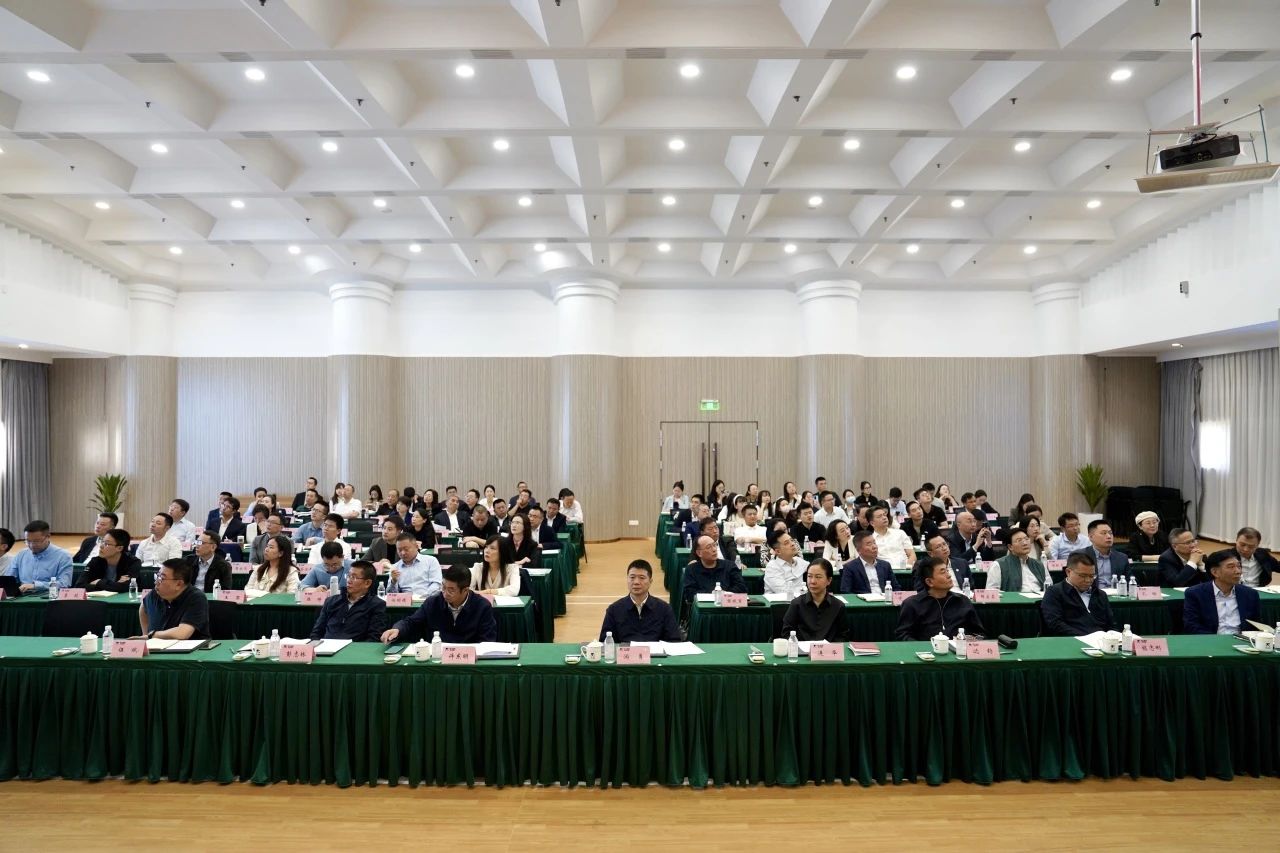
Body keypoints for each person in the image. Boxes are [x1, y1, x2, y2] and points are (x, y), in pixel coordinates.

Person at [380, 564, 498, 645]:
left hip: (469, 660)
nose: (445, 593)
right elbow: (411, 622)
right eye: (443, 587)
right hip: (437, 657)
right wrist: (397, 629)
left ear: (465, 590)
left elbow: (487, 641)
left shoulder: (482, 606)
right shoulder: (433, 602)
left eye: (451, 590)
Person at [895, 556, 986, 641]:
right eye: (943, 572)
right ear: (929, 582)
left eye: (947, 571)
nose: (949, 575)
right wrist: (922, 647)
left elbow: (979, 634)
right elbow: (902, 635)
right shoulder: (912, 604)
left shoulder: (962, 601)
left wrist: (968, 642)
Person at [598, 559, 680, 643]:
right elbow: (605, 642)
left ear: (650, 581)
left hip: (655, 651)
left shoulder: (664, 609)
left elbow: (674, 640)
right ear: (627, 579)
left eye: (642, 578)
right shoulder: (614, 610)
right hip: (625, 651)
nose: (636, 582)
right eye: (632, 577)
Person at [1184, 551, 1261, 635]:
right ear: (1215, 572)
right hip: (1210, 639)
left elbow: (1255, 625)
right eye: (1231, 567)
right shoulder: (1195, 593)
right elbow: (1191, 626)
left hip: (1241, 640)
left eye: (1239, 566)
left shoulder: (1250, 594)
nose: (1238, 571)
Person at [309, 560, 387, 642]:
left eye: (354, 577)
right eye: (349, 576)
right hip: (327, 647)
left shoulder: (377, 605)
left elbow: (374, 638)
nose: (349, 581)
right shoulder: (331, 601)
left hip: (355, 648)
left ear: (367, 583)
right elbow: (316, 632)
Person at [1041, 552, 1115, 636]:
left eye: (1092, 576)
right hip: (1071, 640)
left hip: (1101, 640)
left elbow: (1111, 625)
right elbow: (1055, 624)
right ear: (1068, 572)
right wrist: (1085, 637)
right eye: (1083, 576)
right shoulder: (1054, 592)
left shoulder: (1100, 595)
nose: (1088, 580)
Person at [137, 559, 209, 641]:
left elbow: (182, 633)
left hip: (190, 647)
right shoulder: (154, 594)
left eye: (161, 578)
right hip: (159, 646)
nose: (156, 582)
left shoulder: (196, 598)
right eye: (157, 576)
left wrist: (152, 635)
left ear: (178, 584)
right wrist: (145, 634)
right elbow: (143, 606)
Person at [777, 558, 846, 642]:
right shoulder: (796, 604)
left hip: (828, 649)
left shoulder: (838, 606)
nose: (812, 581)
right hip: (801, 649)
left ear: (829, 580)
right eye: (809, 576)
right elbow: (786, 633)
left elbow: (843, 635)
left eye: (818, 577)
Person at [8, 521, 72, 595]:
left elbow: (64, 584)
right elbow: (9, 579)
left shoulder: (63, 556)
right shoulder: (21, 554)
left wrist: (36, 586)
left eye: (36, 541)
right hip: (22, 596)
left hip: (48, 598)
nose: (32, 545)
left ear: (48, 537)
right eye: (28, 541)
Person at [681, 534, 746, 604]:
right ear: (699, 553)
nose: (714, 549)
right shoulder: (691, 569)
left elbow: (741, 588)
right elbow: (689, 594)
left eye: (715, 545)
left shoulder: (730, 566)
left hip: (729, 606)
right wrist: (713, 594)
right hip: (704, 608)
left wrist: (724, 594)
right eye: (709, 547)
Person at [80, 528, 141, 593]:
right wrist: (113, 586)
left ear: (119, 548)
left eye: (106, 544)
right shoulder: (95, 561)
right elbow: (80, 586)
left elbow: (126, 587)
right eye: (102, 542)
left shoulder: (133, 562)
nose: (101, 546)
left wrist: (99, 582)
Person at [839, 530, 899, 595]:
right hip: (863, 600)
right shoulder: (850, 567)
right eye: (869, 544)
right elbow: (846, 591)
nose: (874, 547)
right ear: (858, 550)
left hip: (885, 599)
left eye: (874, 543)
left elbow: (896, 588)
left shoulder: (885, 565)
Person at [388, 533, 443, 598]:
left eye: (406, 549)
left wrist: (424, 597)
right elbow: (391, 595)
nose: (403, 553)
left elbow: (436, 584)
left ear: (416, 547)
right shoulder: (395, 567)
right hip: (405, 601)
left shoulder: (431, 561)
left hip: (428, 599)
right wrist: (393, 582)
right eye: (399, 550)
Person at [185, 529, 232, 593]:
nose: (197, 546)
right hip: (190, 597)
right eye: (197, 542)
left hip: (210, 598)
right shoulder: (188, 561)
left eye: (201, 543)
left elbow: (225, 590)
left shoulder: (223, 566)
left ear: (213, 547)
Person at [764, 533, 808, 599]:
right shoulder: (772, 567)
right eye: (787, 543)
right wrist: (805, 592)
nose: (792, 544)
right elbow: (784, 591)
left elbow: (815, 568)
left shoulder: (799, 561)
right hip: (780, 603)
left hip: (800, 601)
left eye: (792, 540)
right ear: (778, 551)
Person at [870, 506, 915, 572]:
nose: (884, 517)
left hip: (905, 571)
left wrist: (907, 569)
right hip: (884, 573)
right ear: (872, 523)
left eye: (884, 515)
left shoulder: (900, 533)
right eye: (879, 516)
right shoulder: (870, 540)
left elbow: (912, 554)